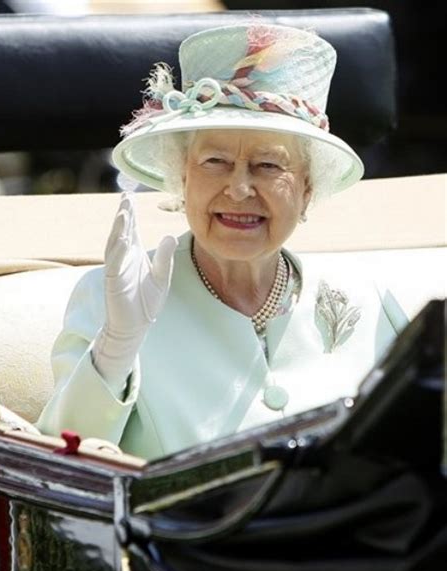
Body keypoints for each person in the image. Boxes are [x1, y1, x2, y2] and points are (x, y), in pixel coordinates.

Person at [37, 23, 407, 460]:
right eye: (215, 161)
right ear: (182, 177)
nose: (239, 188)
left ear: (307, 188)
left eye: (269, 165)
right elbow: (56, 467)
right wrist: (113, 352)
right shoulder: (110, 302)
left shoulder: (369, 300)